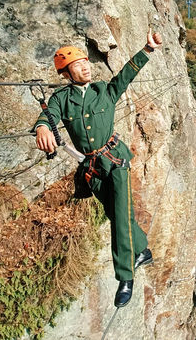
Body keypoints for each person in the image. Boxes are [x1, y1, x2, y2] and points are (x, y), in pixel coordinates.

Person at [35, 31, 163, 308]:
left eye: (86, 62)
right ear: (67, 73)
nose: (85, 66)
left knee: (119, 219)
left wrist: (147, 49)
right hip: (92, 167)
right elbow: (48, 116)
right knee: (117, 213)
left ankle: (125, 276)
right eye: (78, 64)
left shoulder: (103, 90)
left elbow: (126, 75)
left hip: (116, 161)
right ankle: (142, 251)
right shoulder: (61, 99)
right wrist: (43, 127)